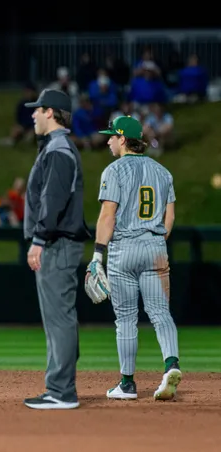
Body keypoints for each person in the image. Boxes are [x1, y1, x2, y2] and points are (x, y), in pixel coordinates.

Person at [88, 115, 181, 401]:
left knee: (126, 319)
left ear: (123, 139)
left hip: (123, 250)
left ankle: (127, 384)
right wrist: (154, 242)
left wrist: (97, 255)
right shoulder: (163, 172)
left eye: (112, 136)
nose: (108, 141)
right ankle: (171, 364)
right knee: (160, 314)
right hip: (154, 247)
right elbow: (170, 217)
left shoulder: (113, 171)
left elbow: (107, 215)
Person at [22, 89, 91, 410]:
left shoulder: (59, 149)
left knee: (59, 318)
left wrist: (39, 239)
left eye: (38, 110)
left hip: (57, 243)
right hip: (59, 242)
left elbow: (53, 199)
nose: (33, 115)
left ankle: (62, 391)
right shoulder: (56, 147)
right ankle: (60, 387)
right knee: (59, 318)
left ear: (51, 112)